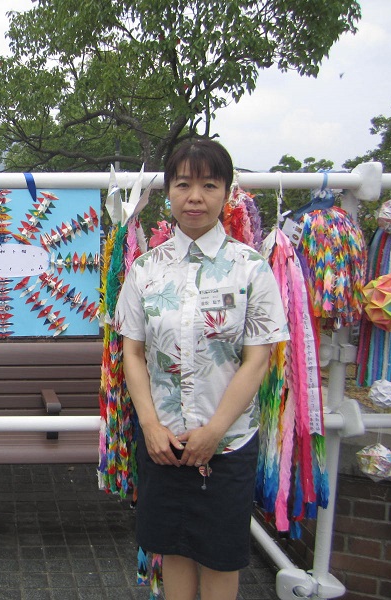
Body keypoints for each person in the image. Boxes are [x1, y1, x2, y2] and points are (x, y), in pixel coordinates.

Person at [113, 139, 288, 600]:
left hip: (227, 445)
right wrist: (150, 426)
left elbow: (257, 358)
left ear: (226, 192)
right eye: (183, 184)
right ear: (169, 191)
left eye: (209, 185)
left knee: (220, 558)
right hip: (164, 444)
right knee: (173, 551)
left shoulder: (251, 269)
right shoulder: (145, 270)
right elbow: (133, 352)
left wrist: (214, 431)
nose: (195, 197)